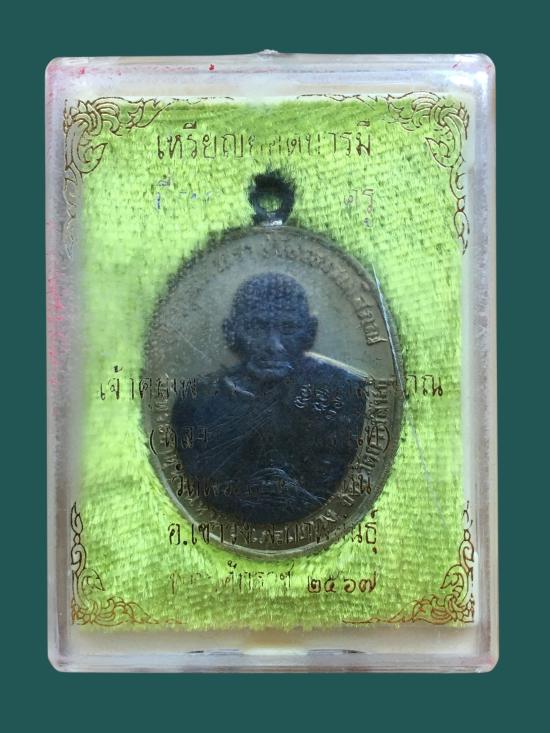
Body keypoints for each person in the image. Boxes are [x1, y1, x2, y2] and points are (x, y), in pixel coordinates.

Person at [171, 272, 367, 524]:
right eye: (257, 328)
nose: (274, 345)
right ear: (231, 330)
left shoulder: (347, 393)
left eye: (288, 329)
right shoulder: (196, 402)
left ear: (310, 331)